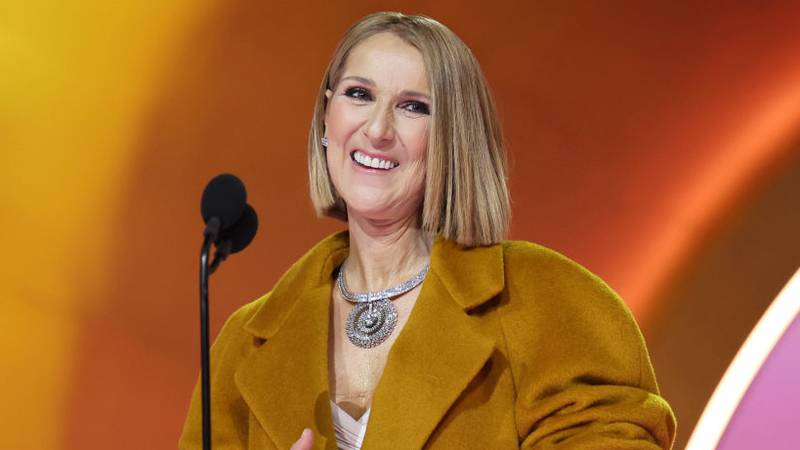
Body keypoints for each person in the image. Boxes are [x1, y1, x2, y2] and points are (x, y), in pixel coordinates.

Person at [180, 11, 676, 450]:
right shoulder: (243, 346)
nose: (377, 128)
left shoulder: (549, 304)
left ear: (453, 139)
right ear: (326, 119)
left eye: (413, 106)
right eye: (359, 94)